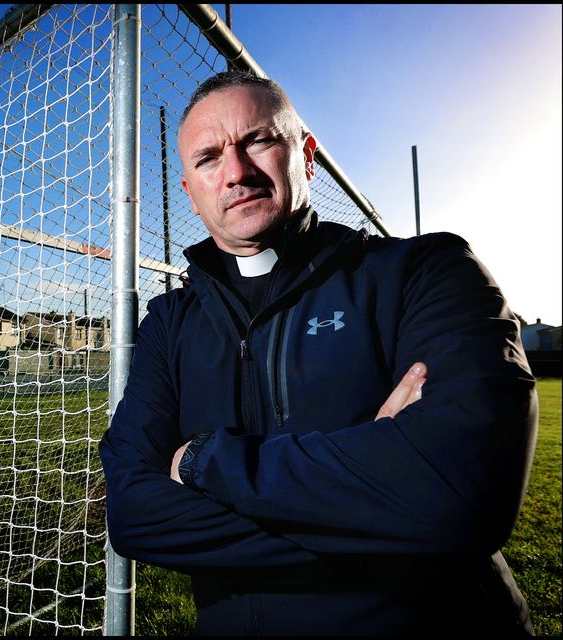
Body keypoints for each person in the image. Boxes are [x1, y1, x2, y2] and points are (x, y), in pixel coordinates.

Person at [98, 69, 538, 636]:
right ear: (190, 190)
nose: (236, 172)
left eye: (258, 140)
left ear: (306, 156)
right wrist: (379, 504)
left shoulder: (425, 272)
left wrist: (202, 462)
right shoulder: (170, 321)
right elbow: (133, 516)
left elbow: (460, 497)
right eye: (209, 158)